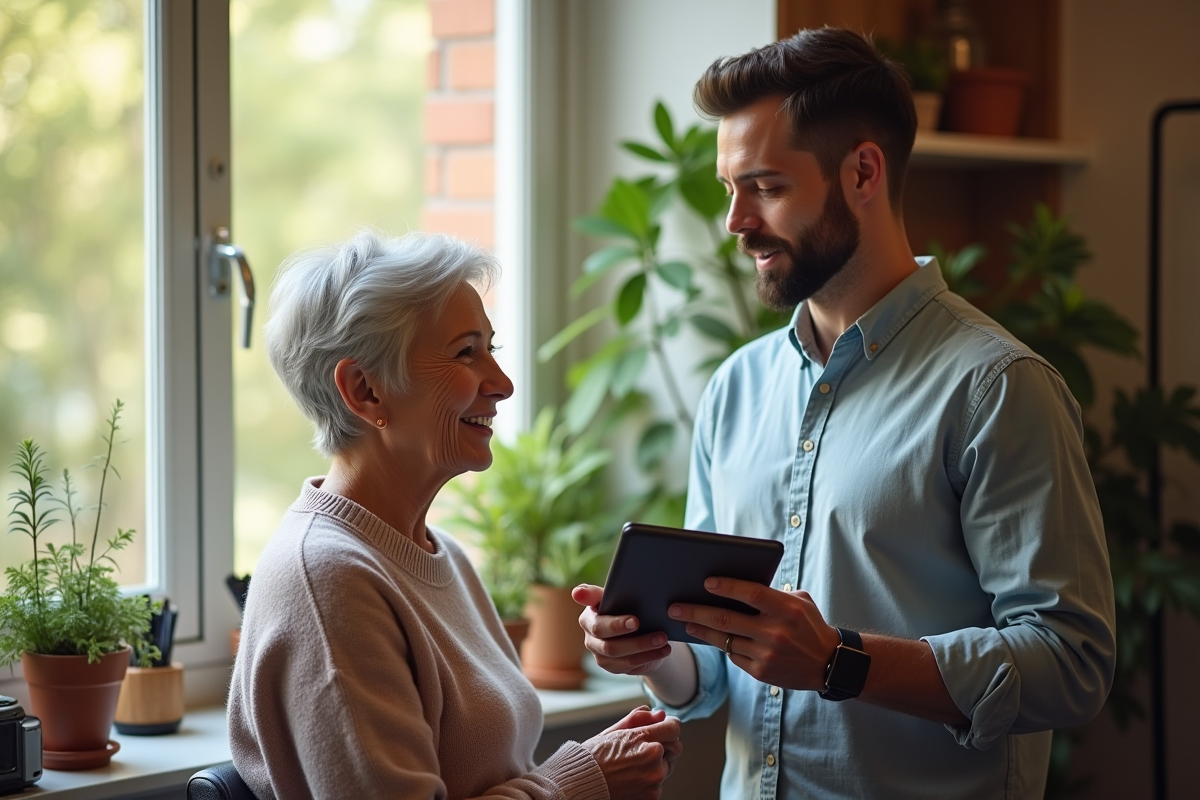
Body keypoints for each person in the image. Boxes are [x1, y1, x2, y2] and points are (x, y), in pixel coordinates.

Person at [575, 27, 1115, 800]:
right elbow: (713, 673)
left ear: (863, 171)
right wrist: (654, 651)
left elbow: (1072, 666)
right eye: (730, 189)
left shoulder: (997, 387)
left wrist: (840, 662)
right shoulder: (736, 387)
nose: (735, 221)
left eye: (766, 187)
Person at [227, 230, 682, 800]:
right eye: (467, 353)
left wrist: (596, 772)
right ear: (365, 390)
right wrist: (585, 779)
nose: (503, 384)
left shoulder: (443, 555)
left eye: (492, 348)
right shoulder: (327, 581)